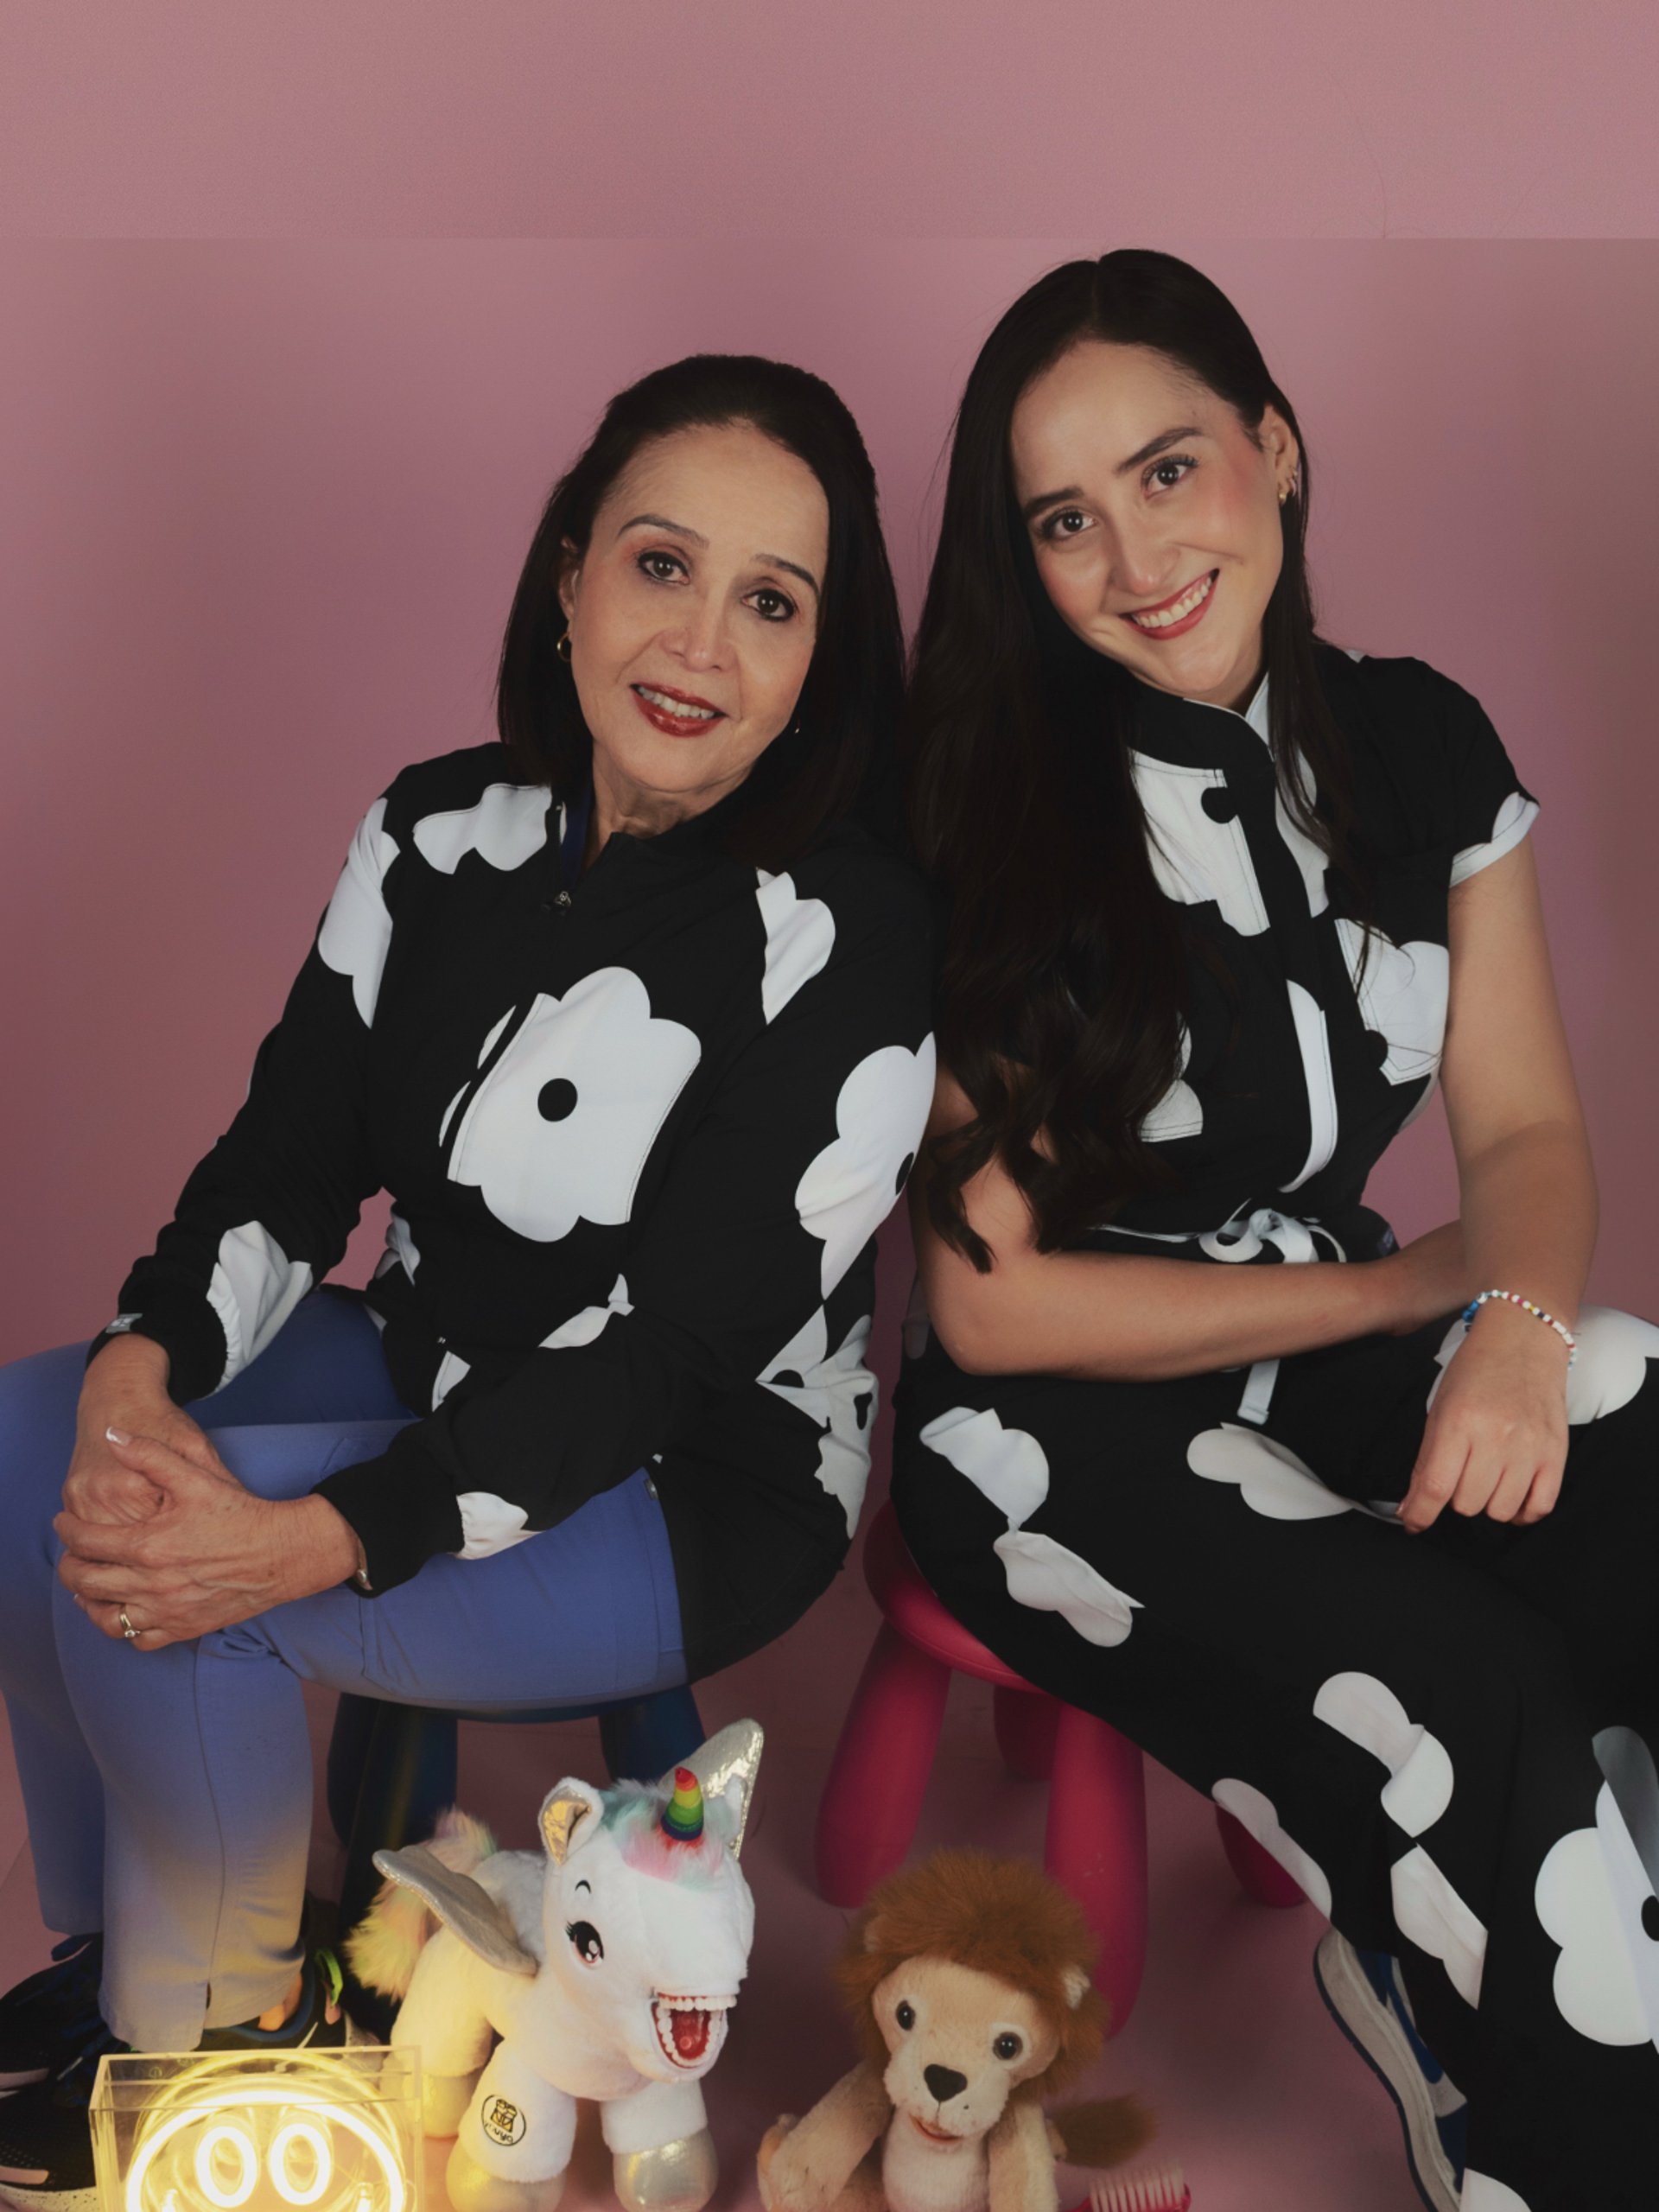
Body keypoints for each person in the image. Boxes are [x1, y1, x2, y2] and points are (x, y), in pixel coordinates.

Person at [0, 353, 935, 2205]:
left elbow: (666, 1358)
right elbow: (289, 1155)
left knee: (210, 1585)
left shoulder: (852, 933)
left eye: (774, 601)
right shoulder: (440, 827)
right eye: (663, 565)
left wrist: (317, 1535)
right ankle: (132, 1951)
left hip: (689, 1483)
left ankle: (228, 2031)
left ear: (824, 656)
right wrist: (138, 1366)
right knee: (35, 1434)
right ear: (576, 572)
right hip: (437, 1356)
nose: (701, 642)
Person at [891, 251, 1658, 2212]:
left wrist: (1509, 1318)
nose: (1136, 553)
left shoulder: (1419, 747)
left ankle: (1499, 1961)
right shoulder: (980, 813)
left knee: (1646, 1437)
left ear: (1277, 453)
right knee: (1481, 1717)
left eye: (1169, 472)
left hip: (1340, 1326)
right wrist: (1416, 1283)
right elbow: (995, 1310)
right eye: (1066, 517)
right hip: (1055, 1428)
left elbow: (1529, 1122)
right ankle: (1556, 2131)